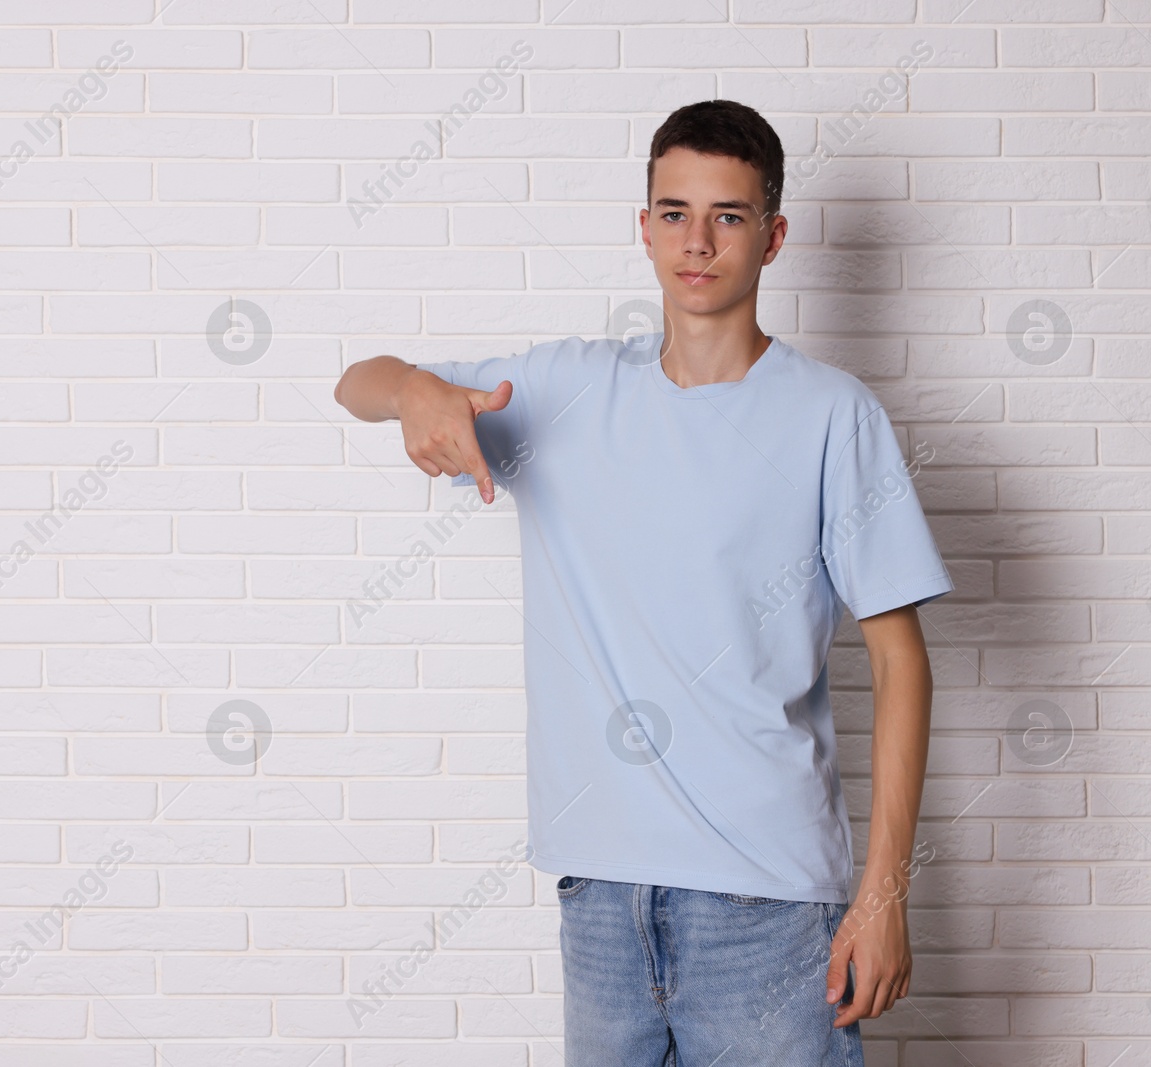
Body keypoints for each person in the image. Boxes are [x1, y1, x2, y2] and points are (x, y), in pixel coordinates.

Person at [333, 98, 951, 1065]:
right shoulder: (566, 392)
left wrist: (883, 895)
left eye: (728, 216)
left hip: (769, 908)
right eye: (673, 213)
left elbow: (900, 662)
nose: (696, 241)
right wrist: (415, 386)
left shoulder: (834, 416)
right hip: (602, 903)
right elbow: (357, 382)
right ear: (644, 226)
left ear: (774, 236)